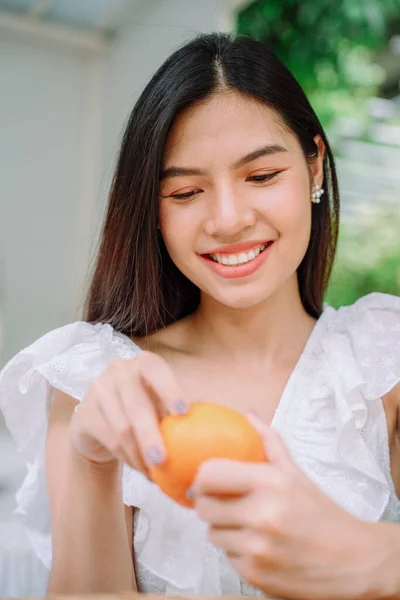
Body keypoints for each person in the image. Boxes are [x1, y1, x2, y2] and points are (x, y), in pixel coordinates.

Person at [0, 32, 399, 599]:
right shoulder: (97, 379)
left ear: (314, 167)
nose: (228, 219)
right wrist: (92, 463)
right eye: (186, 192)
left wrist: (370, 556)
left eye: (261, 177)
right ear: (151, 211)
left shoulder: (383, 360)